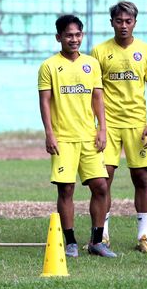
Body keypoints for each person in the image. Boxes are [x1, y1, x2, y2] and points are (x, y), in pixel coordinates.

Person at [38, 15, 116, 258]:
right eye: (69, 35)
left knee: (101, 186)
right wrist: (49, 133)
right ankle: (70, 241)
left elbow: (97, 98)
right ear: (59, 37)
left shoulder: (91, 64)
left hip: (88, 137)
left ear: (82, 35)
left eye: (77, 34)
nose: (74, 39)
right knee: (66, 189)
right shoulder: (49, 66)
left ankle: (96, 241)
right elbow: (45, 101)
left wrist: (102, 128)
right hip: (63, 138)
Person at [91, 1, 147, 254]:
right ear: (111, 22)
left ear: (135, 22)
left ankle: (143, 237)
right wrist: (98, 125)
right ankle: (103, 236)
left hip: (136, 125)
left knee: (141, 178)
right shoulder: (99, 51)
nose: (123, 25)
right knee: (104, 180)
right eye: (119, 21)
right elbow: (95, 92)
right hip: (108, 126)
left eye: (128, 21)